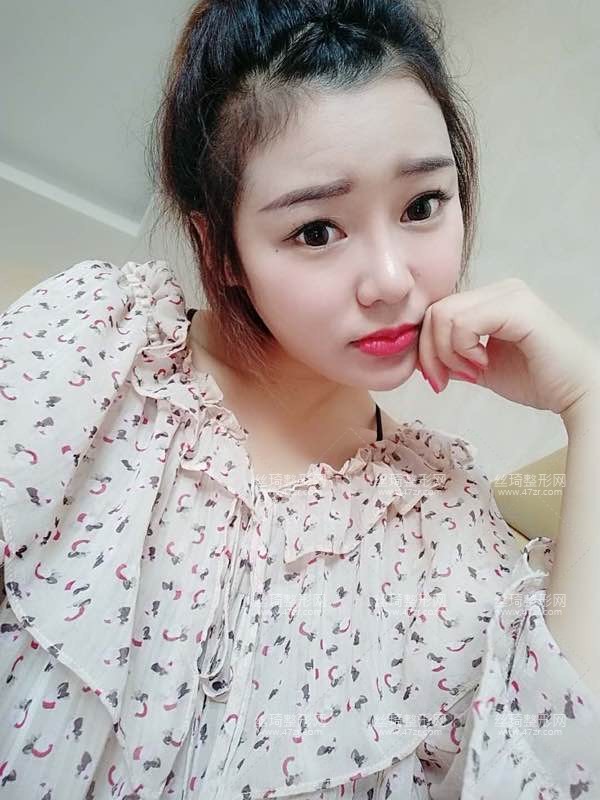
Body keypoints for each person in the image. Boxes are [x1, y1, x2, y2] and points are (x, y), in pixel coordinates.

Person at [1, 1, 599, 798]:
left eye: (423, 205)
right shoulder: (97, 354)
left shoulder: (447, 520)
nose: (392, 280)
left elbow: (551, 764)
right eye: (317, 230)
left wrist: (590, 402)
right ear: (221, 249)